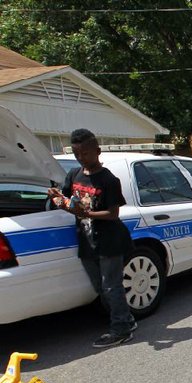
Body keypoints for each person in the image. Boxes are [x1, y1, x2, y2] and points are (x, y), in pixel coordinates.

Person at [47, 129, 137, 348]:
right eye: (77, 153)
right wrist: (57, 198)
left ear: (97, 151)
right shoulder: (73, 175)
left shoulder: (109, 180)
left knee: (111, 286)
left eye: (85, 153)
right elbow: (67, 201)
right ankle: (126, 319)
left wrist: (86, 213)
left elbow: (113, 214)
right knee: (100, 286)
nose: (81, 157)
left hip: (110, 240)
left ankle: (121, 330)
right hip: (87, 240)